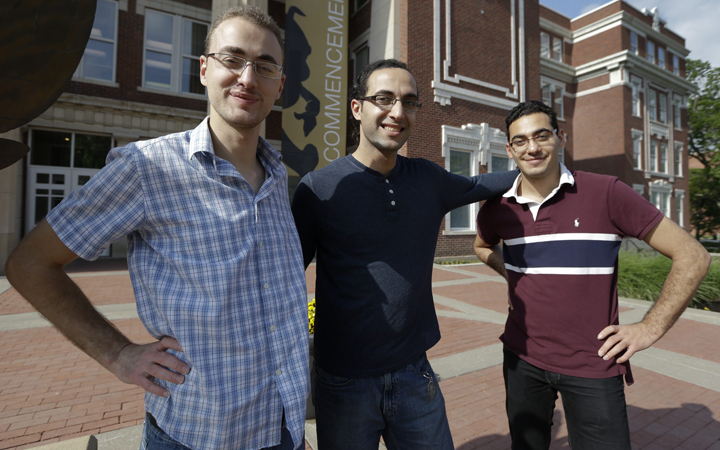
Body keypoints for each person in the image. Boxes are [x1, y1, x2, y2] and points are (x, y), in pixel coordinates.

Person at [5, 7, 308, 450]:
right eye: (232, 59)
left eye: (264, 66)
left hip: (282, 429)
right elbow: (31, 263)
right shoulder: (148, 167)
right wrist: (117, 353)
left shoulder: (280, 177)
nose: (247, 77)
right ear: (204, 69)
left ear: (279, 86)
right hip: (195, 436)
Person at [290, 59, 519, 450]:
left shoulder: (428, 180)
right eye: (384, 99)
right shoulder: (319, 189)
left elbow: (484, 183)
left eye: (409, 102)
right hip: (343, 383)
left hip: (416, 374)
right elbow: (286, 281)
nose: (397, 112)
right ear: (357, 108)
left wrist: (547, 170)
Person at [473, 100, 711, 450]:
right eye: (521, 141)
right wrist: (515, 277)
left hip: (593, 363)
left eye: (542, 135)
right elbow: (482, 246)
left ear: (560, 137)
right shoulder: (499, 208)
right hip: (522, 359)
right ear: (510, 149)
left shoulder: (606, 192)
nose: (532, 148)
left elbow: (693, 255)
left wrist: (650, 327)